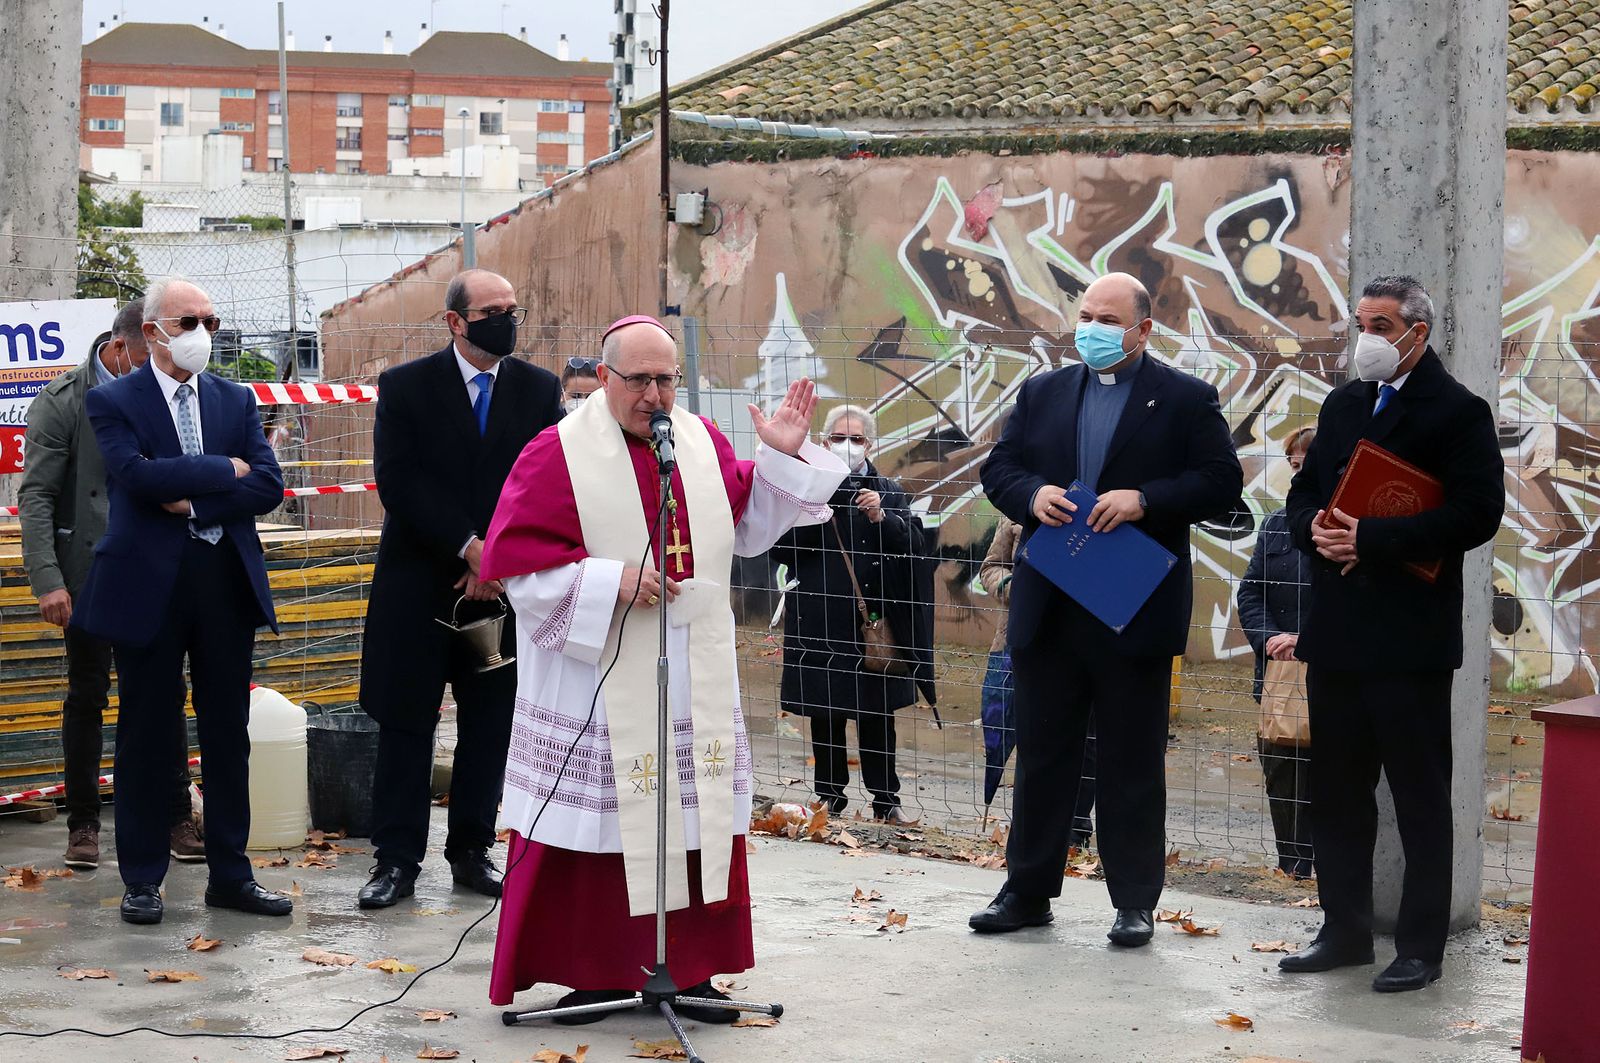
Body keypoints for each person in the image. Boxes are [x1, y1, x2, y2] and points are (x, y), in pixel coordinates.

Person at [479, 315, 847, 1021]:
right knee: (603, 825)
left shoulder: (699, 443)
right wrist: (608, 581)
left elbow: (747, 528)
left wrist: (778, 460)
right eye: (639, 379)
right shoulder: (556, 453)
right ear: (606, 379)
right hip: (599, 676)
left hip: (688, 673)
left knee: (692, 811)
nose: (654, 394)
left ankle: (688, 966)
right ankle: (593, 967)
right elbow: (518, 573)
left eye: (665, 378)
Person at [971, 271, 1243, 946]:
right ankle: (1027, 890)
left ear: (1143, 330)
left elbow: (1221, 481)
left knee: (1130, 760)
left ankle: (1133, 900)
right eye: (1084, 314)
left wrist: (1145, 498)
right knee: (1042, 755)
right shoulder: (1042, 391)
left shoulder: (1184, 398)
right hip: (1051, 606)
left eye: (1106, 318)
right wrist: (1032, 495)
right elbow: (998, 469)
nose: (1088, 328)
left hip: (1132, 608)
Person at [1279, 276, 1504, 992]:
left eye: (1381, 324)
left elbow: (1477, 513)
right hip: (1339, 632)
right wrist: (1316, 532)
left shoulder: (1458, 412)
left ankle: (1420, 945)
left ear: (1418, 331)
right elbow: (1303, 493)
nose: (1367, 337)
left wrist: (1371, 539)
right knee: (1338, 793)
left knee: (1418, 795)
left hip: (1409, 640)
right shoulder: (1344, 403)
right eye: (1361, 322)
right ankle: (1342, 929)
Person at [72, 276, 289, 925]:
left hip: (224, 581)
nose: (203, 335)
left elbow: (270, 484)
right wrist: (226, 470)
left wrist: (194, 494)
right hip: (148, 585)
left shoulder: (234, 399)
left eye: (212, 322)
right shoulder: (115, 400)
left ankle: (231, 873)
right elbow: (136, 477)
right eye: (189, 321)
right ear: (153, 332)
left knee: (228, 732)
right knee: (146, 732)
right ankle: (142, 878)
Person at [357, 269, 563, 910]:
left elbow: (542, 480)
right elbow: (401, 483)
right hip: (420, 580)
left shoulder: (537, 389)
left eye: (512, 310)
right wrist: (470, 546)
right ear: (454, 321)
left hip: (502, 589)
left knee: (490, 723)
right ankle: (396, 860)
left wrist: (497, 556)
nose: (504, 320)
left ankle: (472, 850)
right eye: (490, 312)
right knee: (406, 723)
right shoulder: (406, 387)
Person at [19, 303, 202, 870]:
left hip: (158, 570)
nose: (160, 371)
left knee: (165, 694)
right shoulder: (63, 400)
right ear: (124, 348)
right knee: (89, 694)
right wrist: (49, 580)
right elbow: (38, 495)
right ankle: (82, 825)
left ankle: (175, 815)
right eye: (149, 358)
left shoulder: (170, 392)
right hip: (90, 573)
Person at [768, 405, 934, 824]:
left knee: (877, 715)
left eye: (857, 439)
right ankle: (829, 796)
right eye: (839, 438)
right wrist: (811, 513)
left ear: (870, 445)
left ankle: (886, 799)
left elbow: (914, 549)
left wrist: (883, 518)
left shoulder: (889, 490)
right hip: (820, 619)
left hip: (871, 624)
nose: (847, 446)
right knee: (826, 713)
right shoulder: (808, 489)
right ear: (824, 443)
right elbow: (780, 549)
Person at [978, 516, 1094, 846]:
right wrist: (1019, 587)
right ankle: (1032, 830)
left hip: (1086, 644)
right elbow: (990, 568)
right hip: (1024, 644)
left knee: (1087, 740)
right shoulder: (1019, 508)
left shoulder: (1098, 508)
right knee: (1031, 736)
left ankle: (1075, 829)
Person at [1235, 426, 1316, 879]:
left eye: (1306, 464)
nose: (1297, 473)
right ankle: (1293, 864)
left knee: (1331, 778)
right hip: (1279, 678)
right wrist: (1270, 639)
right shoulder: (1277, 524)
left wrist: (1308, 640)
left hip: (1331, 673)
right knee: (1282, 773)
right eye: (1294, 465)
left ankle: (1328, 865)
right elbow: (1250, 593)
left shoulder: (1349, 525)